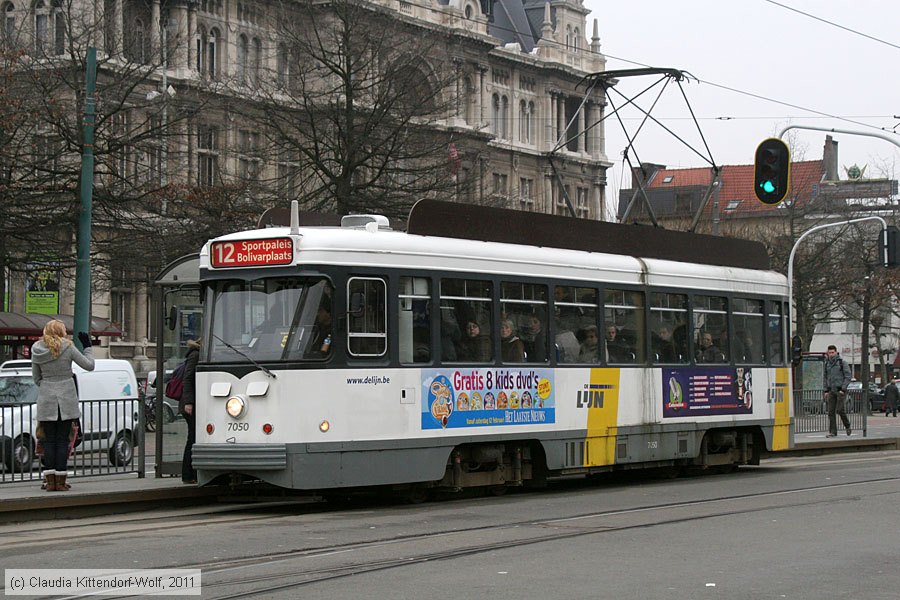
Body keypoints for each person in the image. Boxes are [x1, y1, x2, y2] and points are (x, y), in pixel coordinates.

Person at [31, 320, 94, 492]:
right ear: (61, 331)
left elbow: (36, 378)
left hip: (47, 400)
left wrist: (48, 384)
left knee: (49, 441)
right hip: (66, 400)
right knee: (62, 441)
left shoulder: (36, 349)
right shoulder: (68, 347)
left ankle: (50, 482)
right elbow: (89, 366)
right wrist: (87, 347)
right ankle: (61, 481)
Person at [180, 339, 201, 484]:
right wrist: (188, 402)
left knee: (194, 438)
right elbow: (187, 378)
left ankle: (192, 474)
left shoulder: (196, 353)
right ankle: (188, 474)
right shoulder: (195, 355)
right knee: (193, 438)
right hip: (191, 404)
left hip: (194, 403)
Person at [823, 344, 852, 437]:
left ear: (836, 352)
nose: (831, 354)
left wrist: (843, 388)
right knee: (831, 412)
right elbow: (825, 377)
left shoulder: (842, 363)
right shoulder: (827, 364)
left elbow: (848, 376)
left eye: (832, 352)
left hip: (840, 390)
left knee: (840, 410)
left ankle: (847, 426)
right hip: (831, 390)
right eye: (829, 352)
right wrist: (826, 390)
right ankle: (833, 432)